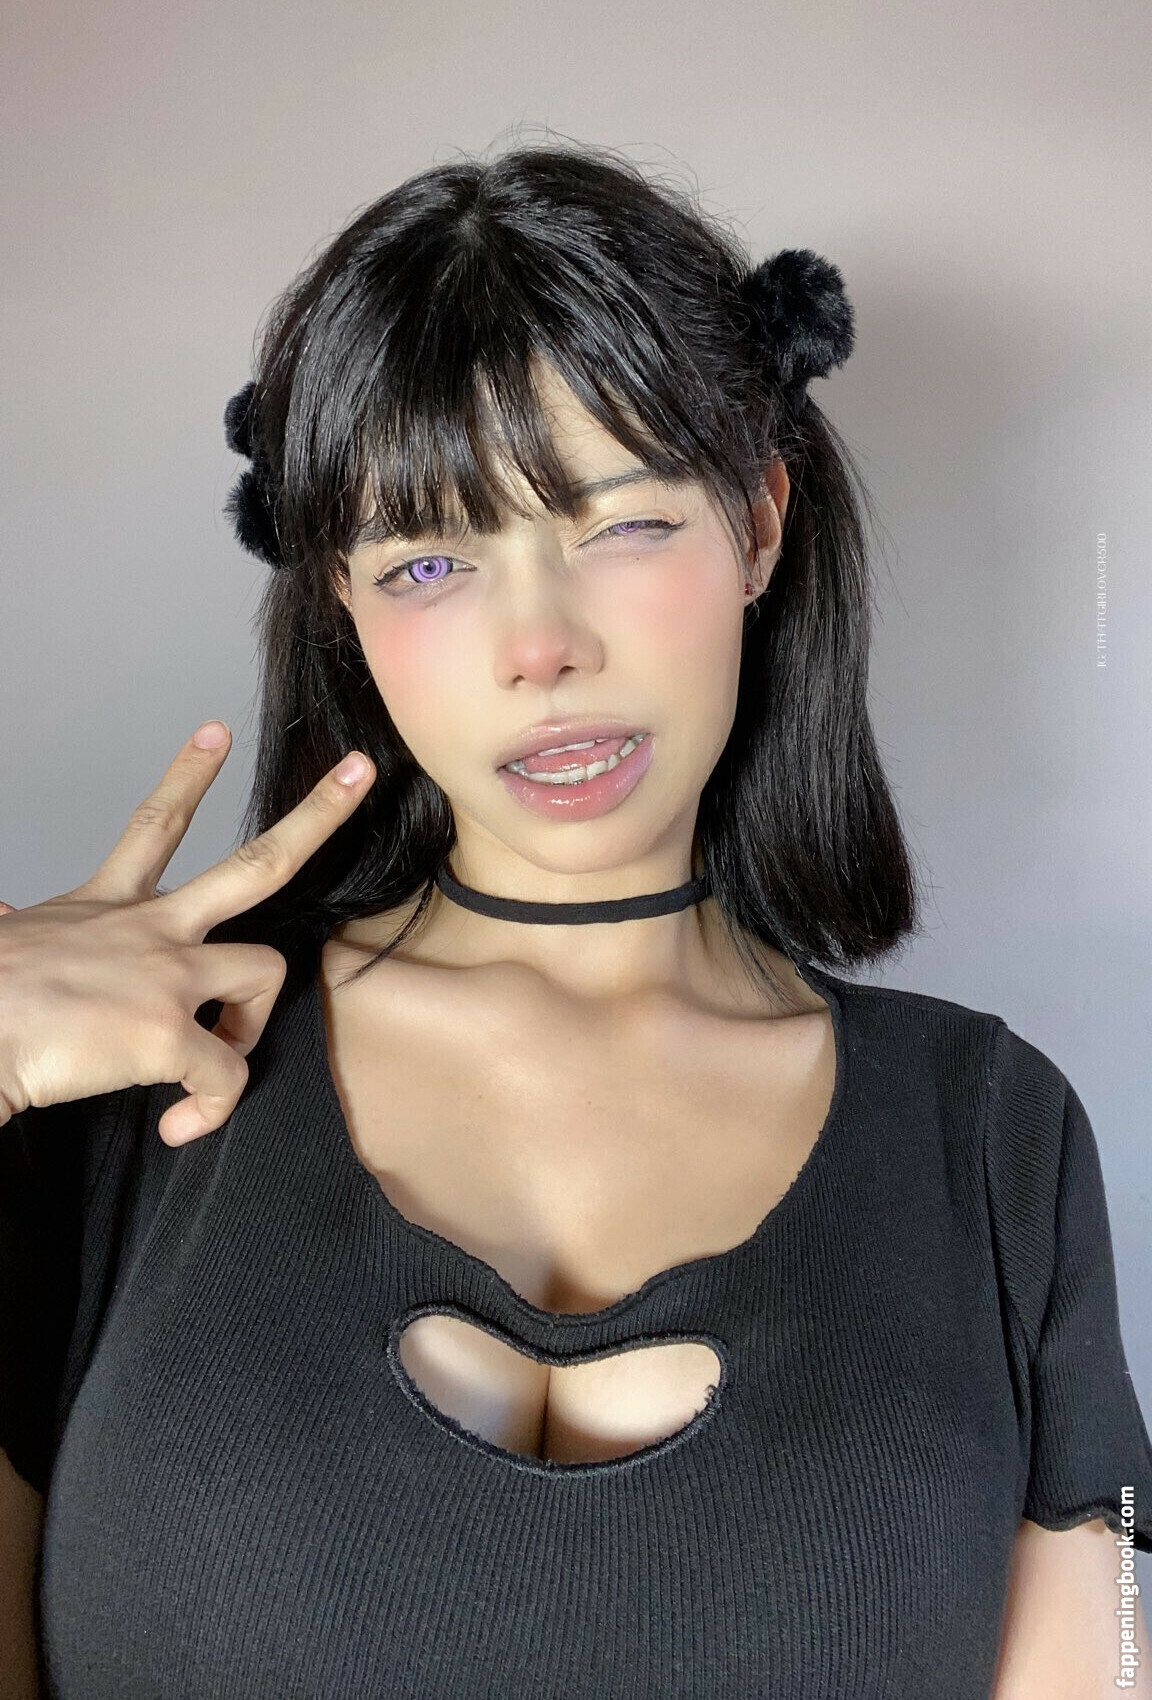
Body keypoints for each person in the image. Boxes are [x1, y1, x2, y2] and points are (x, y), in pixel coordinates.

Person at [1, 140, 1150, 1700]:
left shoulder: (991, 1140)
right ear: (340, 600)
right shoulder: (132, 1085)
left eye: (621, 526)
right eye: (430, 560)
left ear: (759, 523)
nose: (539, 646)